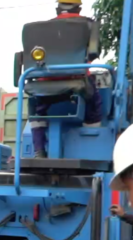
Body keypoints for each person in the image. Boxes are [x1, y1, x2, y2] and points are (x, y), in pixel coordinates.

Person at [31, 0, 101, 158]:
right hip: (78, 81)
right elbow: (94, 52)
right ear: (79, 7)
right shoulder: (89, 24)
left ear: (57, 8)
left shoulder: (43, 28)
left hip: (46, 84)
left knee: (36, 110)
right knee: (94, 104)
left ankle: (39, 150)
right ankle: (89, 148)